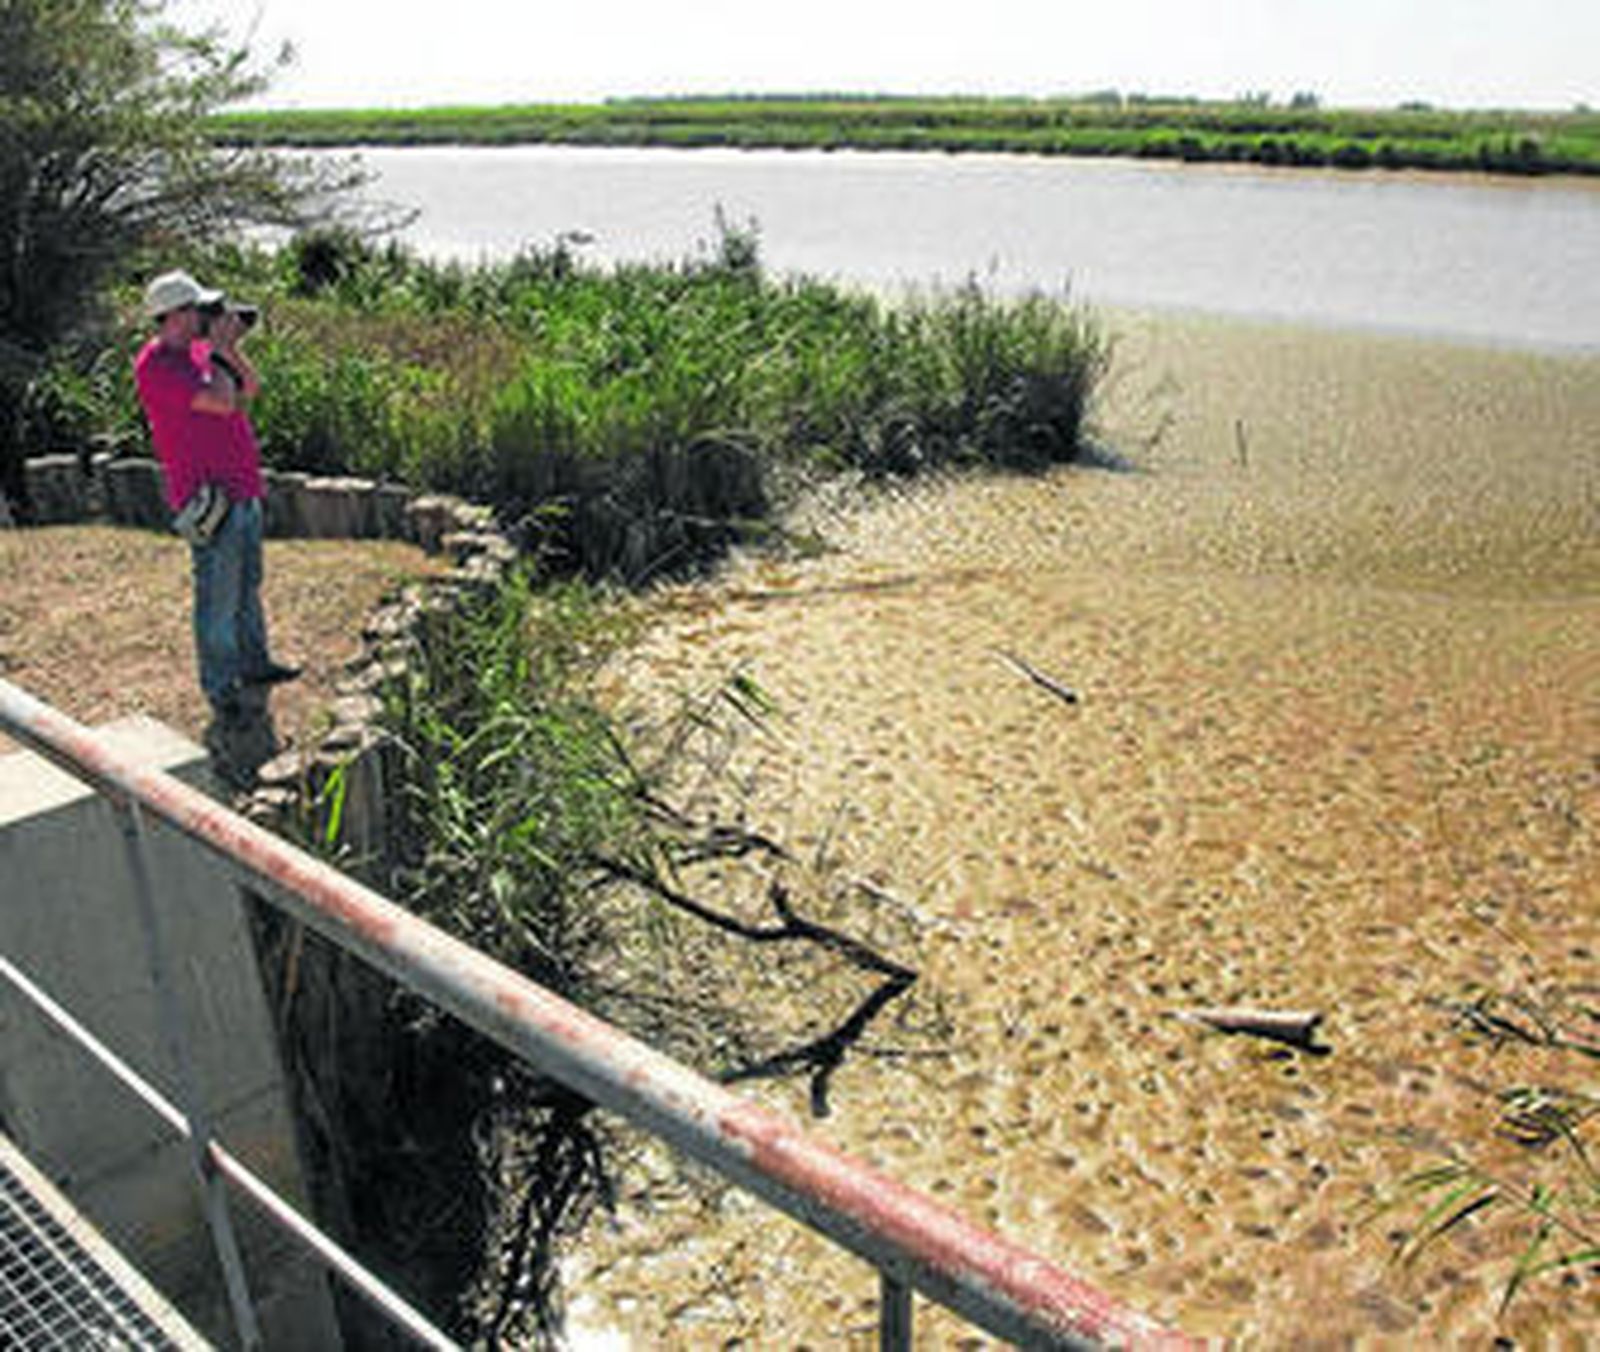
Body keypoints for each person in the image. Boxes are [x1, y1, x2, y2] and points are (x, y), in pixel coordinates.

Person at [134, 269, 299, 725]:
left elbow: (249, 389)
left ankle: (254, 663)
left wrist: (231, 351)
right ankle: (221, 685)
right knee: (217, 595)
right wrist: (223, 352)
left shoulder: (201, 352)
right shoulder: (157, 367)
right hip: (208, 497)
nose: (209, 318)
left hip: (240, 486)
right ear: (173, 316)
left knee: (247, 584)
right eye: (201, 311)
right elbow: (222, 402)